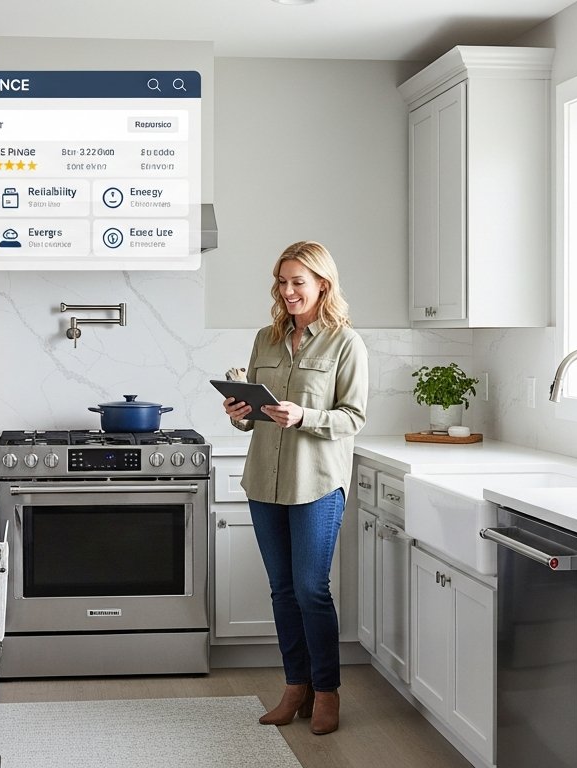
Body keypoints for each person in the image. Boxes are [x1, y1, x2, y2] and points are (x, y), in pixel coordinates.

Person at [222, 240, 368, 736]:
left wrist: (304, 415)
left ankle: (326, 692)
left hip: (318, 483)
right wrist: (241, 414)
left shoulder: (345, 343)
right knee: (282, 590)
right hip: (264, 479)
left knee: (310, 589)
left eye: (298, 282)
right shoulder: (265, 338)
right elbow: (255, 421)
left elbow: (354, 417)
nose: (287, 291)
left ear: (322, 284)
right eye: (282, 282)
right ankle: (294, 687)